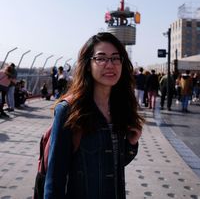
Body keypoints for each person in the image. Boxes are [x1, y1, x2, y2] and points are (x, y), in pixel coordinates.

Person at [44, 32, 144, 199]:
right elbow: (55, 177)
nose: (110, 64)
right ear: (88, 65)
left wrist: (131, 144)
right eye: (101, 58)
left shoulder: (120, 107)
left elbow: (112, 164)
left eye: (115, 58)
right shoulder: (69, 110)